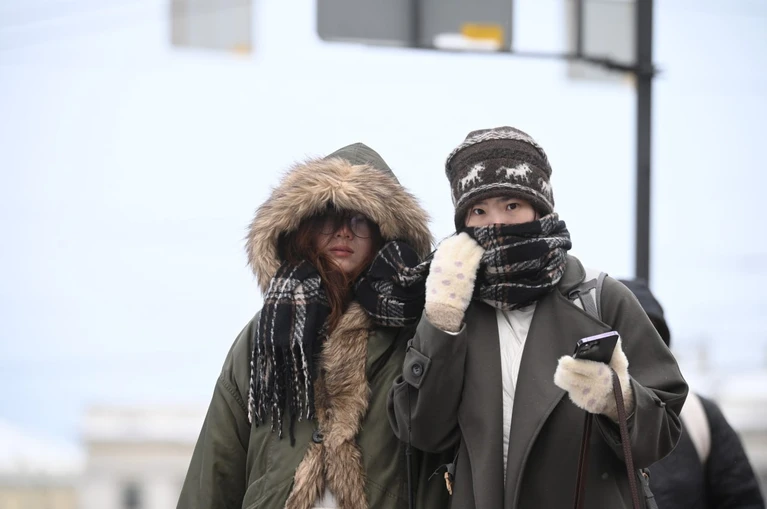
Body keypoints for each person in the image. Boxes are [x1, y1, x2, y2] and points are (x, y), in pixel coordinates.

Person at [387, 126, 689, 508]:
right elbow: (420, 431)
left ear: (540, 207)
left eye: (511, 205)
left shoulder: (600, 297)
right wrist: (441, 321)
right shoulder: (451, 306)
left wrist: (620, 400)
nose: (495, 222)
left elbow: (663, 432)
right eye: (479, 210)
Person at [178, 143, 450, 509]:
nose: (343, 232)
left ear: (385, 232)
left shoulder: (418, 333)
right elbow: (217, 463)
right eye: (328, 216)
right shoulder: (264, 334)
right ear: (303, 227)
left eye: (360, 220)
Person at [621, 278, 766, 509]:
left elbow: (743, 500)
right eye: (626, 336)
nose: (641, 348)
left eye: (653, 336)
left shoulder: (699, 415)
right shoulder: (577, 421)